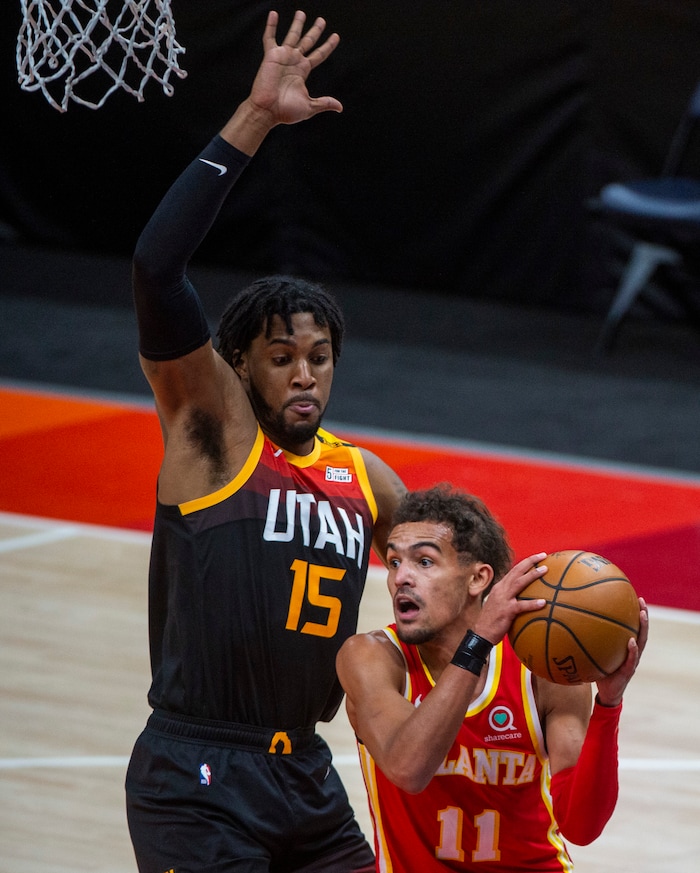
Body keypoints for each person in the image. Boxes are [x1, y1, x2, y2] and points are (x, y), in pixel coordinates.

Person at [125, 10, 406, 873]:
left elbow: (457, 570)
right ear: (240, 364)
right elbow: (156, 266)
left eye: (320, 357)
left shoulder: (367, 479)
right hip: (197, 772)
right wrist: (254, 118)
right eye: (281, 356)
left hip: (307, 779)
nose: (306, 375)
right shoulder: (213, 435)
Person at [336, 485, 649, 872]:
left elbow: (580, 828)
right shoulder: (373, 658)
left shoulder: (539, 668)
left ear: (478, 579)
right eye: (395, 562)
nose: (402, 577)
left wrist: (609, 704)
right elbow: (408, 768)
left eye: (425, 562)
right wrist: (478, 642)